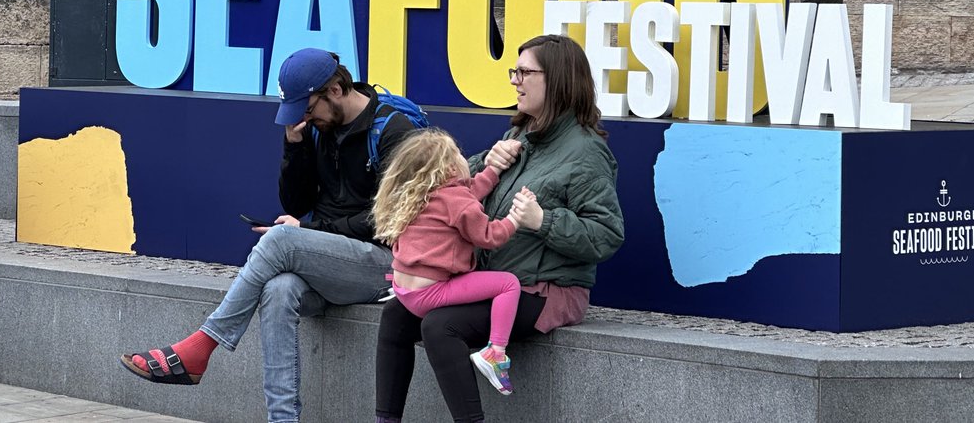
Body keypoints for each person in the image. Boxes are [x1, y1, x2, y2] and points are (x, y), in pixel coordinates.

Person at [119, 47, 418, 423]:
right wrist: (294, 148)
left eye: (308, 110)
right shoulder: (317, 129)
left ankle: (201, 346)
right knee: (279, 289)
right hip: (332, 264)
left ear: (336, 91)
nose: (306, 119)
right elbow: (297, 201)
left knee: (278, 239)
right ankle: (282, 419)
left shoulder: (394, 132)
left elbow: (390, 221)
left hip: (386, 267)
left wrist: (306, 231)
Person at [374, 33, 625, 423]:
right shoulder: (518, 135)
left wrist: (544, 221)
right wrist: (485, 161)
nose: (514, 80)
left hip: (546, 290)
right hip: (496, 280)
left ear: (556, 79)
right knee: (397, 315)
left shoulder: (586, 152)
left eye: (525, 72)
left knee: (442, 326)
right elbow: (457, 192)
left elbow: (607, 235)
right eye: (515, 70)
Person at [372, 129, 541, 397]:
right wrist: (515, 219)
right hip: (430, 293)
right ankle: (495, 353)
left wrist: (493, 171)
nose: (465, 159)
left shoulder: (422, 193)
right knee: (508, 284)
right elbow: (490, 236)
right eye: (459, 155)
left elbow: (470, 191)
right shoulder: (457, 201)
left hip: (404, 290)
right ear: (450, 166)